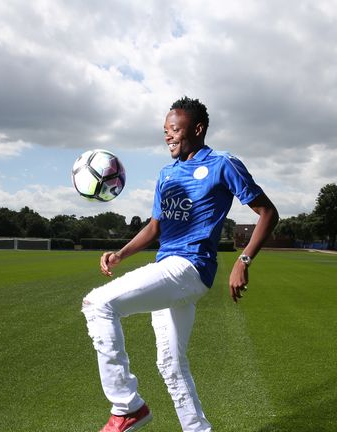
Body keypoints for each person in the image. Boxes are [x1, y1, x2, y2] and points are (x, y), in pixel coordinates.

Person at [81, 96, 279, 432]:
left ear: (197, 128)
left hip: (189, 268)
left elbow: (268, 212)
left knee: (97, 304)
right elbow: (156, 226)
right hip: (170, 268)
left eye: (174, 129)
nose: (168, 135)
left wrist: (243, 259)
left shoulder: (222, 164)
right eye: (165, 131)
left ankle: (127, 407)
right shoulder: (167, 174)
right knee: (170, 364)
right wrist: (121, 253)